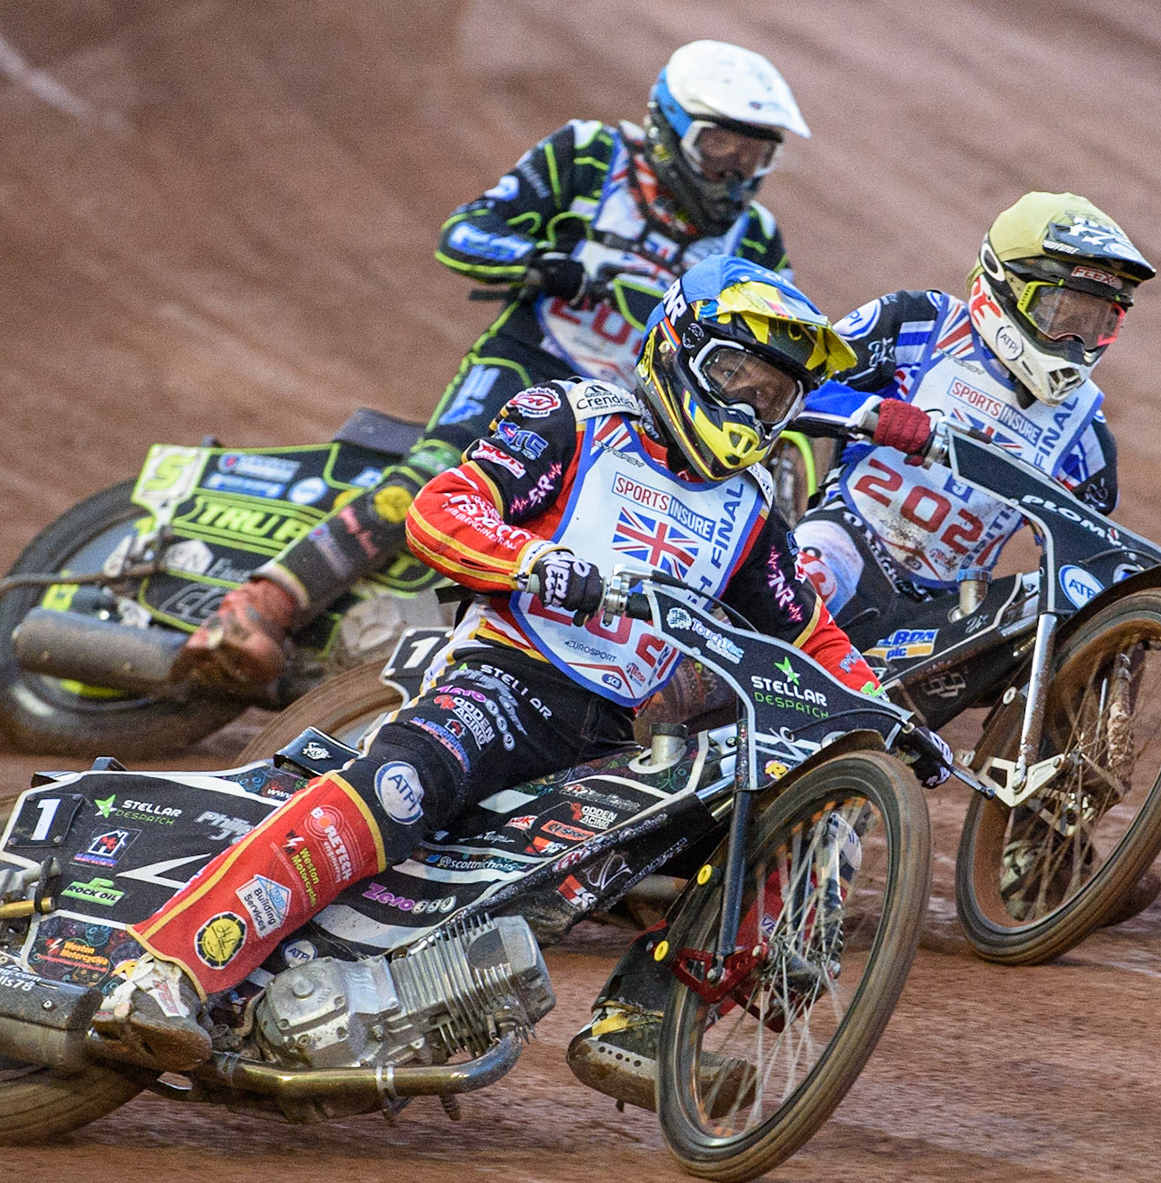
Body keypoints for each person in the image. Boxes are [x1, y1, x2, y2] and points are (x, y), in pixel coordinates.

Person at [95, 258, 925, 1091]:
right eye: (735, 376)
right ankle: (166, 970)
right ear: (678, 347)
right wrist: (536, 561)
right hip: (506, 682)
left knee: (760, 813)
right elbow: (441, 508)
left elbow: (809, 633)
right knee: (397, 790)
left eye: (773, 395)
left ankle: (644, 1024)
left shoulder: (751, 509)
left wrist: (883, 714)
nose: (749, 406)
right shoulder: (568, 416)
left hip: (617, 740)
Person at [176, 40, 812, 687]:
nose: (736, 170)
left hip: (638, 412)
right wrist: (547, 264)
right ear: (670, 125)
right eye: (721, 147)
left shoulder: (755, 237)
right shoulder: (592, 156)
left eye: (756, 154)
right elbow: (466, 232)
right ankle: (254, 608)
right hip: (531, 359)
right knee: (428, 483)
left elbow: (776, 339)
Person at [789, 191, 1161, 649]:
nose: (1074, 341)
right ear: (1004, 284)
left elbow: (1090, 557)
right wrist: (876, 414)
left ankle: (1083, 721)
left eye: (1096, 322)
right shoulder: (918, 323)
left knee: (1090, 632)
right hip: (847, 544)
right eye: (1060, 312)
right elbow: (791, 384)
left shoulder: (1087, 438)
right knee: (807, 578)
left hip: (956, 606)